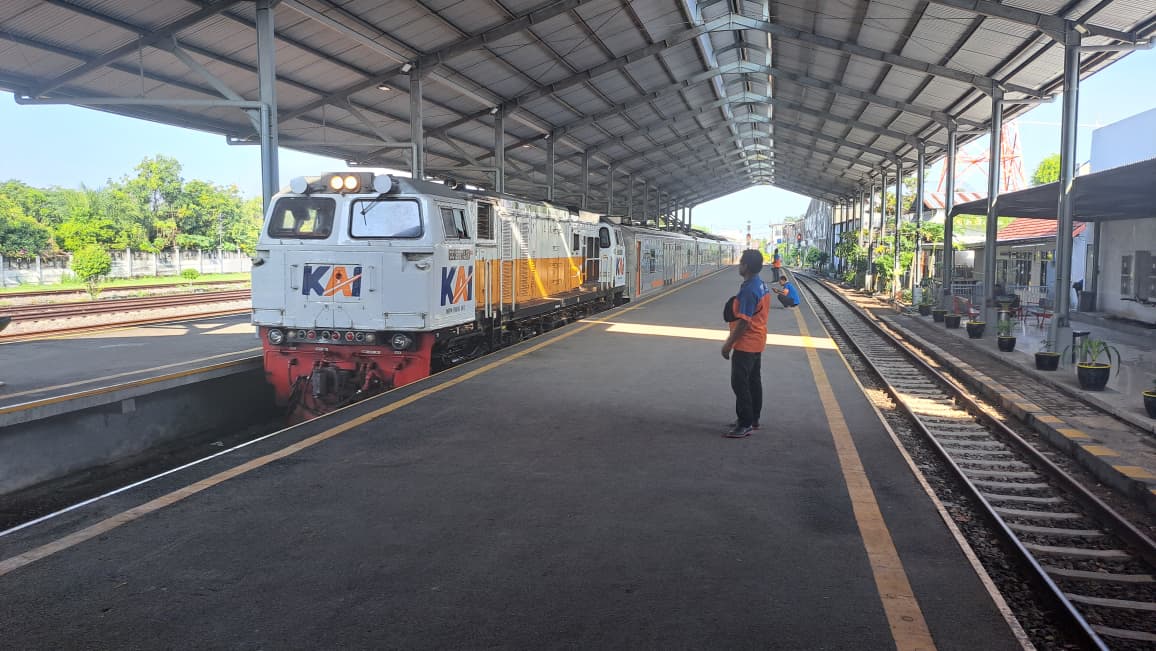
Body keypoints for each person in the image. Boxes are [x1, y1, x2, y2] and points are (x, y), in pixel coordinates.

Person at [721, 250, 770, 439]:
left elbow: (744, 322)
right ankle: (753, 419)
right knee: (753, 381)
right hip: (757, 341)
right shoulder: (760, 284)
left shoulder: (749, 290)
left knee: (740, 384)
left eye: (741, 262)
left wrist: (728, 344)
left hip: (746, 344)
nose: (739, 265)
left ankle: (745, 423)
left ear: (746, 266)